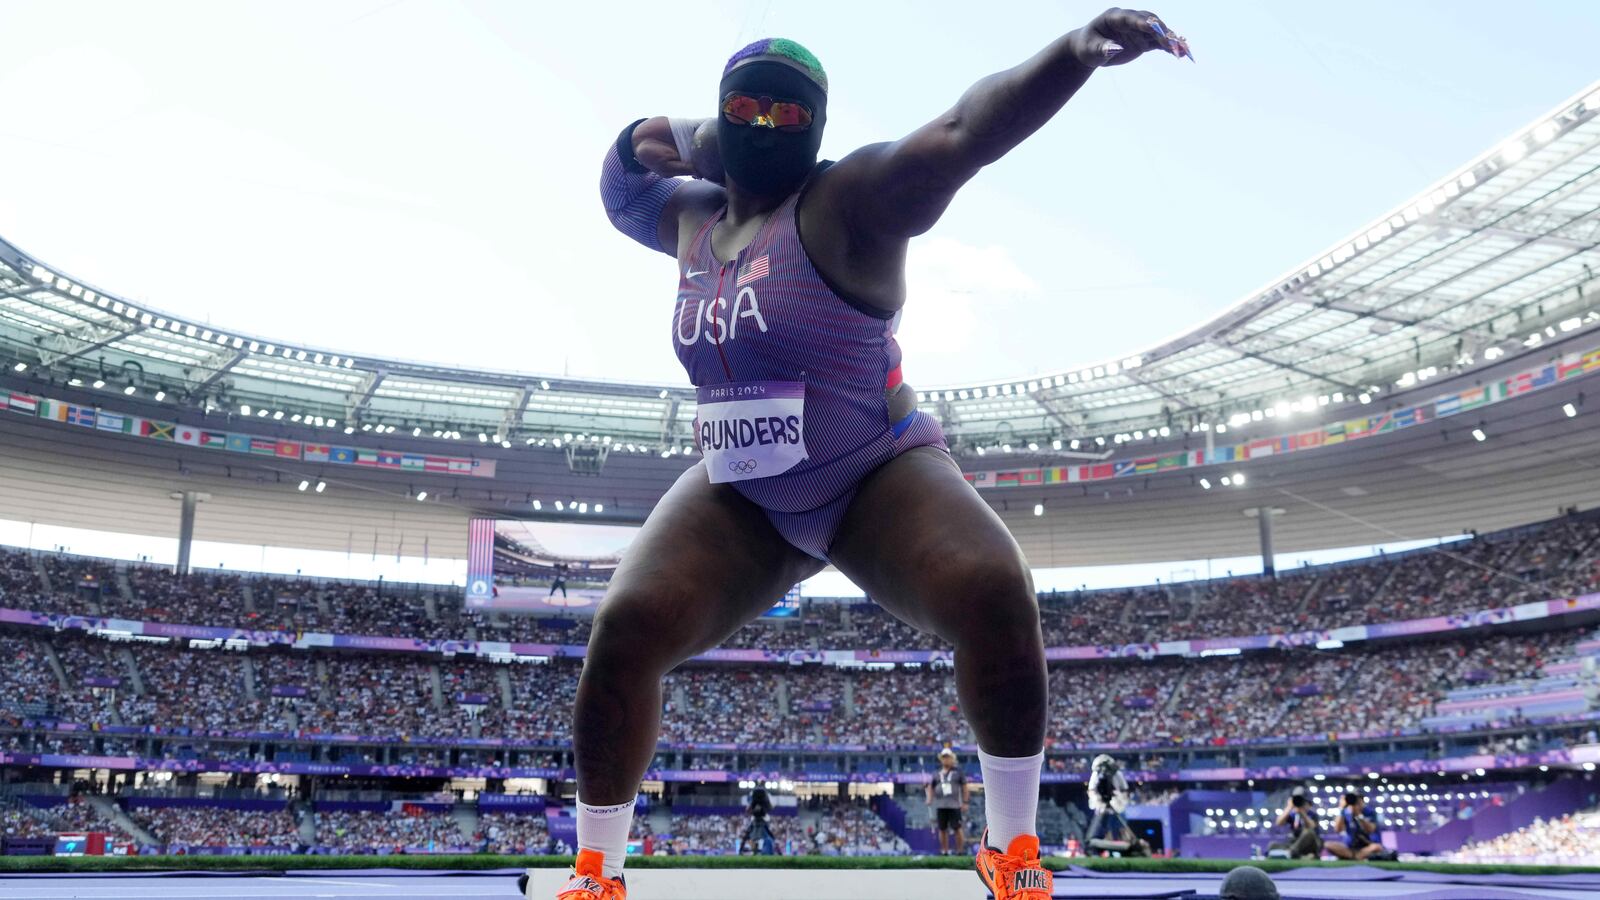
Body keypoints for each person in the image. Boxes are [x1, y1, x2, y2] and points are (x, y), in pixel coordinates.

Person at [556, 13, 1193, 900]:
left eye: (791, 116)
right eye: (748, 109)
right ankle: (597, 869)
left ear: (817, 129)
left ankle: (1011, 849)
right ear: (720, 117)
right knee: (624, 629)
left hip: (871, 471)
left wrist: (1074, 53)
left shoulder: (847, 203)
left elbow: (963, 132)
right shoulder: (690, 221)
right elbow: (622, 185)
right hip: (743, 490)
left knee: (992, 586)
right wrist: (660, 138)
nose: (768, 127)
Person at [927, 748, 971, 855]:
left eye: (948, 757)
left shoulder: (958, 772)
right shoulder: (937, 773)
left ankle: (960, 851)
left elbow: (965, 787)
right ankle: (944, 851)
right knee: (942, 829)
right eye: (944, 758)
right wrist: (929, 798)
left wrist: (965, 802)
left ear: (952, 759)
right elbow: (931, 786)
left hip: (954, 805)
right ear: (941, 760)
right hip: (941, 805)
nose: (946, 760)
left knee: (957, 828)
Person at [1324, 792, 1387, 861]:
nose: (1355, 804)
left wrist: (1359, 815)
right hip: (1350, 848)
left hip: (1367, 846)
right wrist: (1341, 809)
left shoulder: (1370, 812)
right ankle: (1355, 857)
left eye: (1357, 801)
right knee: (1328, 845)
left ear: (1363, 802)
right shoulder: (1345, 813)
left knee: (1376, 847)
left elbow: (1370, 830)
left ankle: (1352, 857)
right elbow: (1337, 829)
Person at [1269, 787, 1322, 860]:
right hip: (1295, 843)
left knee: (1308, 832)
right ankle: (1300, 856)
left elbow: (1312, 827)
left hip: (1311, 844)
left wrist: (1302, 813)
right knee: (1272, 845)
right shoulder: (1293, 815)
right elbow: (1279, 822)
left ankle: (1290, 853)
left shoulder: (1312, 815)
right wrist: (1289, 807)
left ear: (1309, 804)